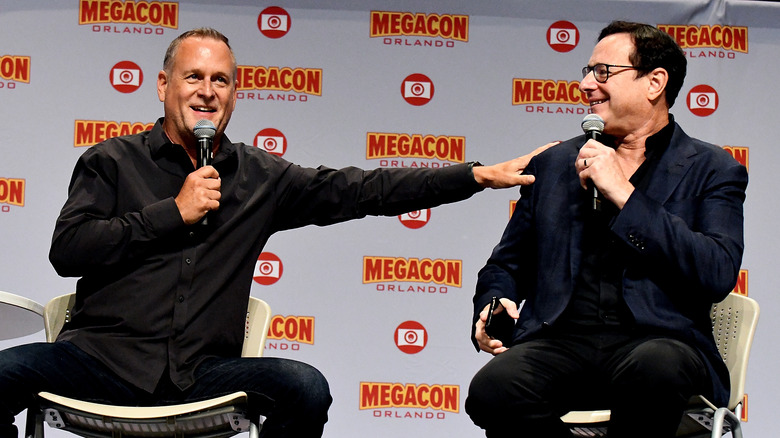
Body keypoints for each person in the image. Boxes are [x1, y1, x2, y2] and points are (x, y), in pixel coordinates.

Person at [0, 28, 553, 438]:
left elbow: (363, 189)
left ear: (235, 94)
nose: (207, 91)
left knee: (304, 386)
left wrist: (476, 175)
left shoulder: (261, 177)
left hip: (201, 374)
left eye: (221, 80)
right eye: (194, 76)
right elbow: (68, 250)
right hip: (102, 362)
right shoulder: (111, 161)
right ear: (163, 85)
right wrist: (173, 212)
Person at [465, 21, 747, 438]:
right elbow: (505, 264)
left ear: (654, 83)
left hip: (657, 341)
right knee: (494, 389)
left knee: (656, 369)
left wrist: (624, 194)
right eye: (586, 71)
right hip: (561, 342)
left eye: (602, 73)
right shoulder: (556, 164)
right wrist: (494, 301)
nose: (584, 85)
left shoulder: (712, 169)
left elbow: (716, 272)